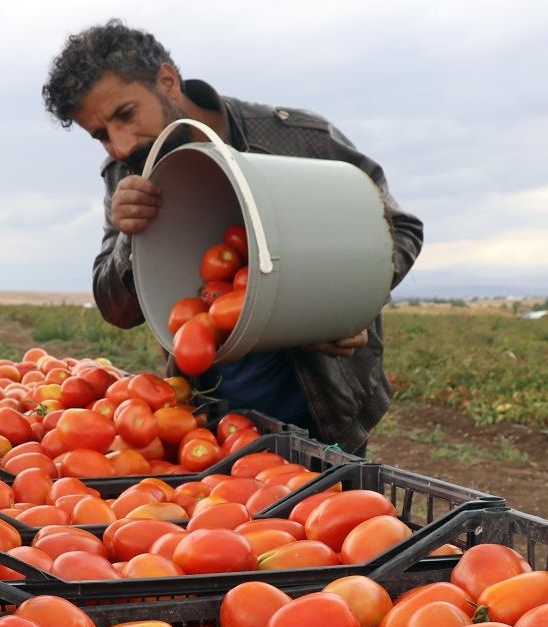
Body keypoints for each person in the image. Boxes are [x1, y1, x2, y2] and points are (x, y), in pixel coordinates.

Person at [42, 20, 423, 455]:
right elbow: (119, 309)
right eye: (101, 135)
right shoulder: (129, 172)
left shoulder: (293, 139)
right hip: (213, 415)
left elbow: (398, 229)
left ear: (167, 81)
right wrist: (130, 238)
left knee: (326, 514)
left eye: (126, 115)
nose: (120, 144)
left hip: (324, 403)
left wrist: (340, 305)